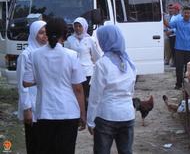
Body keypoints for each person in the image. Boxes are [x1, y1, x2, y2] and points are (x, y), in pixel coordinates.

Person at [23, 18, 86, 154]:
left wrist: (43, 78)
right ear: (64, 34)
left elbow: (26, 82)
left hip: (44, 111)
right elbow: (78, 88)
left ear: (48, 33)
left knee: (46, 149)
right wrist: (83, 114)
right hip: (68, 112)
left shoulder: (34, 55)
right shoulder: (71, 55)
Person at [87, 25, 136, 154]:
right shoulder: (129, 62)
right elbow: (131, 90)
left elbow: (95, 96)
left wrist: (90, 121)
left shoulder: (102, 64)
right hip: (127, 114)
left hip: (106, 116)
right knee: (126, 151)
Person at [17, 20, 47, 154]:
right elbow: (22, 85)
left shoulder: (48, 52)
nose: (44, 36)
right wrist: (27, 108)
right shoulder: (26, 55)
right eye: (41, 33)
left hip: (46, 105)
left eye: (46, 32)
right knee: (34, 142)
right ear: (34, 34)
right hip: (32, 105)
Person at [66, 17, 101, 111]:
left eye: (80, 26)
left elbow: (96, 56)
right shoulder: (69, 40)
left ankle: (86, 117)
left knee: (86, 96)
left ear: (84, 27)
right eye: (76, 26)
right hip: (73, 72)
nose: (77, 28)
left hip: (87, 72)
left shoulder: (90, 40)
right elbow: (66, 56)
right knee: (75, 95)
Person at [164, 6, 190, 89]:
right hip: (179, 49)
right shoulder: (178, 22)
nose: (186, 14)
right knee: (179, 68)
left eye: (188, 13)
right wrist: (161, 17)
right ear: (182, 13)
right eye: (185, 12)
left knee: (189, 69)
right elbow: (168, 25)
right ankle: (178, 84)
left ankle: (187, 85)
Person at [165, 3, 182, 67]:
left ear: (177, 10)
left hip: (176, 36)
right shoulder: (173, 17)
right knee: (172, 49)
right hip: (171, 36)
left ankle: (177, 63)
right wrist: (167, 31)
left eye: (173, 9)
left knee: (176, 50)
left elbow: (179, 27)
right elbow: (170, 25)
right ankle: (174, 62)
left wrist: (171, 31)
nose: (172, 10)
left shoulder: (179, 17)